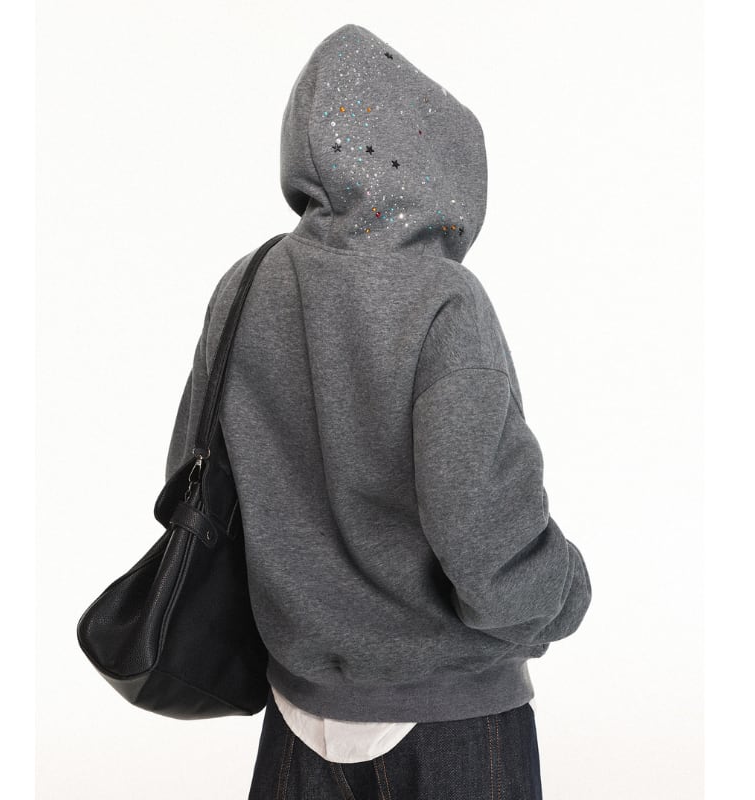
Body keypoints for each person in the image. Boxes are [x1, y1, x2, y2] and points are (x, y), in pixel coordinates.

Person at [164, 22, 592, 800]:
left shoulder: (244, 285)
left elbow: (192, 479)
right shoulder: (443, 302)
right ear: (446, 167)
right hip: (451, 719)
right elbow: (486, 541)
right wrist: (565, 592)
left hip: (295, 714)